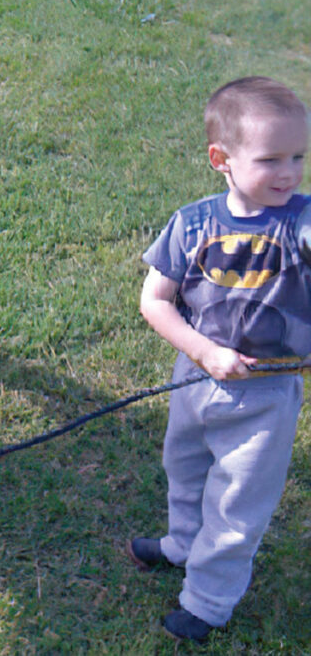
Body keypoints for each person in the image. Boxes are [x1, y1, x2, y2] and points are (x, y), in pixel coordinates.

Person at [131, 76, 310, 642]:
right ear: (221, 159)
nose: (289, 172)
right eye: (271, 159)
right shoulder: (192, 224)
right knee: (184, 470)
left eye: (299, 156)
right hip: (194, 381)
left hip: (266, 395)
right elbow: (154, 302)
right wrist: (204, 351)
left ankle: (207, 601)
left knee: (237, 503)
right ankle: (183, 544)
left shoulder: (299, 220)